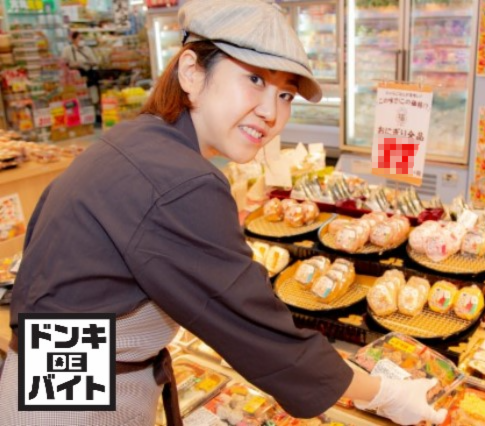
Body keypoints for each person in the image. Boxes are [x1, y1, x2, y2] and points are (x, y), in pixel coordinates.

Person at [0, 1, 448, 425]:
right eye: (254, 79)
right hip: (78, 399)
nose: (271, 112)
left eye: (286, 94)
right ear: (192, 72)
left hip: (52, 372)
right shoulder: (182, 180)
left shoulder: (140, 140)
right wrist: (385, 394)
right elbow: (262, 334)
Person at [61, 31, 100, 105]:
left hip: (88, 74)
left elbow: (95, 61)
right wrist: (73, 64)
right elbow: (63, 63)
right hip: (76, 78)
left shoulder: (87, 49)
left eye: (82, 39)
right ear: (73, 40)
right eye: (80, 38)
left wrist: (87, 63)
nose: (82, 40)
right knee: (80, 96)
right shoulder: (67, 50)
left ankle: (94, 106)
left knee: (92, 94)